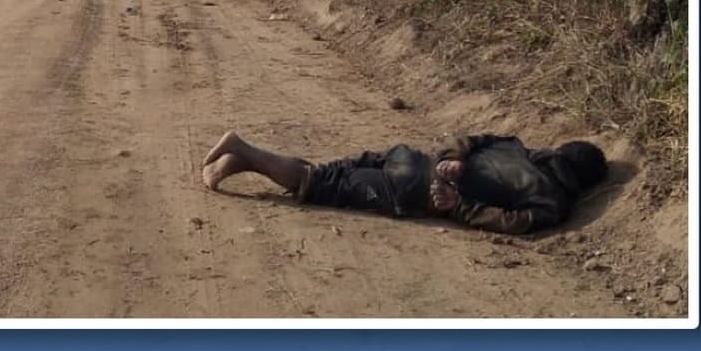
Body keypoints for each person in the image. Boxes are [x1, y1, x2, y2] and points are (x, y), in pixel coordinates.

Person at [199, 130, 608, 235]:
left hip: (410, 159)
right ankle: (243, 148)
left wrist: (450, 158)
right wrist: (458, 206)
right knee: (314, 183)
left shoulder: (518, 147)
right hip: (411, 190)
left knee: (327, 174)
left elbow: (469, 139)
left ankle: (239, 162)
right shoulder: (553, 200)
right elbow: (513, 222)